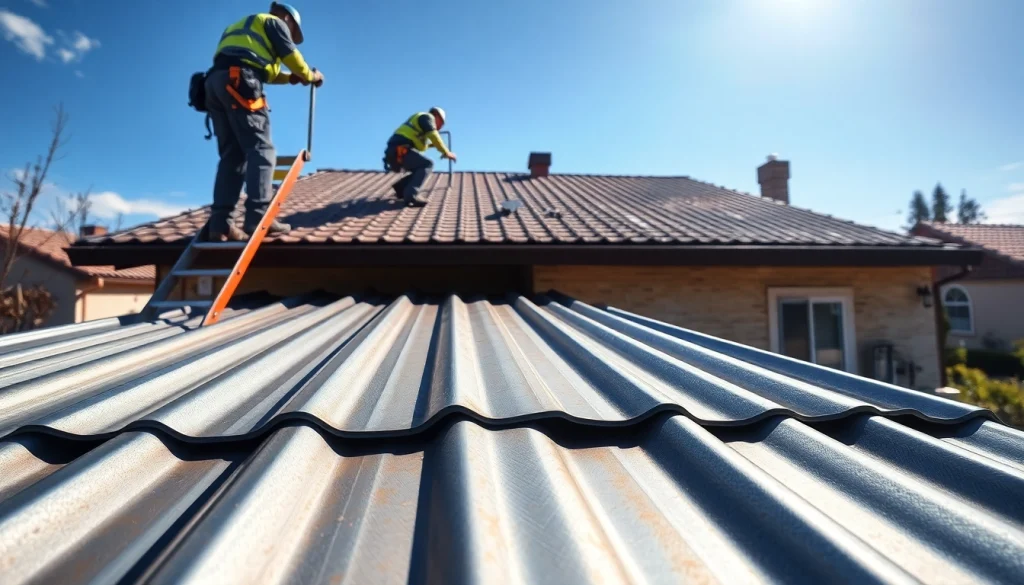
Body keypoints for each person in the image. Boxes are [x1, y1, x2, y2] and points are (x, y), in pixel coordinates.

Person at [204, 2, 325, 241]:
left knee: (233, 156)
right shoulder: (275, 23)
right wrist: (309, 76)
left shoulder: (242, 27)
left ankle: (220, 225)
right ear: (288, 20)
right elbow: (291, 55)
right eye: (292, 31)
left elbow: (262, 69)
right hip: (240, 82)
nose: (290, 34)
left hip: (215, 85)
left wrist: (291, 79)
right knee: (262, 150)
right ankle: (259, 217)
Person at [384, 108, 457, 206]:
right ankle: (411, 196)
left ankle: (400, 189)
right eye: (441, 124)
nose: (439, 128)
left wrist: (433, 145)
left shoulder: (419, 126)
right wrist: (446, 152)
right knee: (427, 164)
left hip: (394, 153)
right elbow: (434, 135)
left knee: (419, 168)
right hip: (400, 150)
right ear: (436, 115)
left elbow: (421, 147)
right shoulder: (426, 117)